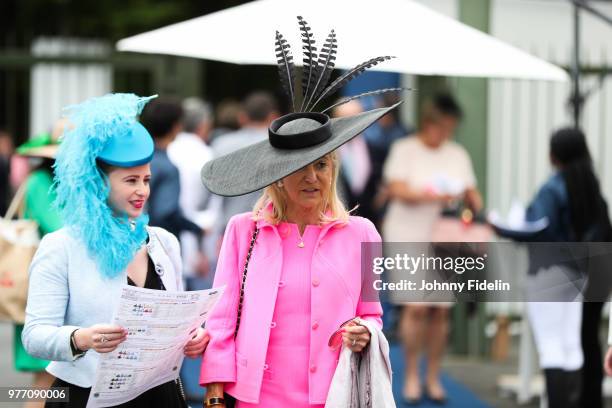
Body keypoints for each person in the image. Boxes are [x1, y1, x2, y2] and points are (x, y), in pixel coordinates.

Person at [198, 17, 400, 407]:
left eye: (321, 166)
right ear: (277, 177)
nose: (312, 177)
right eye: (299, 168)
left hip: (335, 393)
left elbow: (372, 314)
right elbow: (221, 317)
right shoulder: (244, 231)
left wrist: (363, 331)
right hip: (257, 396)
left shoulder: (363, 234)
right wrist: (215, 380)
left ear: (333, 171)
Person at [21, 93, 209, 407]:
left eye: (147, 180)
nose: (142, 191)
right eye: (131, 180)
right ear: (98, 183)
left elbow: (178, 321)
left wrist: (194, 336)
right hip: (87, 396)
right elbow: (35, 335)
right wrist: (80, 338)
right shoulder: (61, 246)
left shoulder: (164, 242)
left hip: (159, 394)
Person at [495, 127, 612, 408]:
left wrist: (499, 225)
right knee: (577, 345)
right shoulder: (591, 187)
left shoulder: (554, 187)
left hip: (550, 272)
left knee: (552, 346)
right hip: (587, 274)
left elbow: (535, 228)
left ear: (554, 154)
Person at [383, 93, 482, 404]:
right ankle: (412, 373)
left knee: (440, 309)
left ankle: (433, 376)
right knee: (415, 307)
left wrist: (471, 202)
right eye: (443, 127)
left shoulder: (457, 154)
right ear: (429, 123)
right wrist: (433, 195)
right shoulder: (405, 149)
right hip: (407, 232)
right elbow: (396, 188)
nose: (447, 134)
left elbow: (471, 192)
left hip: (445, 237)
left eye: (451, 128)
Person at [12, 126, 63, 408]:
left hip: (47, 284)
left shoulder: (45, 180)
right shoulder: (41, 182)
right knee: (45, 382)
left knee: (51, 382)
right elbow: (59, 227)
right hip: (42, 289)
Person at [140, 97, 204, 243]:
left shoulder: (139, 160)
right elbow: (165, 212)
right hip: (160, 243)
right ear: (176, 126)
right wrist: (196, 228)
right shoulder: (167, 167)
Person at [167, 97, 215, 282]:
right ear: (203, 125)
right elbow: (211, 210)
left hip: (166, 236)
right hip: (195, 241)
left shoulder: (168, 149)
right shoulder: (206, 155)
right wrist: (204, 251)